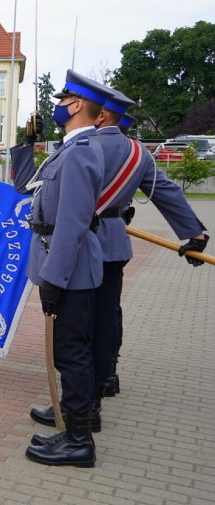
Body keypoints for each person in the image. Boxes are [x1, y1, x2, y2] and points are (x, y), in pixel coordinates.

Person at [28, 87, 208, 447]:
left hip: (75, 249)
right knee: (103, 323)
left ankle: (79, 413)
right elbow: (166, 191)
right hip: (111, 244)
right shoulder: (136, 152)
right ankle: (96, 394)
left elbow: (70, 213)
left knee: (77, 335)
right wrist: (194, 233)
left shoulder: (80, 149)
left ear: (98, 114)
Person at [9, 69, 110, 467]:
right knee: (69, 352)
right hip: (62, 263)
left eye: (62, 100)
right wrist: (27, 144)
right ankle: (72, 421)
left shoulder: (82, 152)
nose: (56, 107)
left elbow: (71, 223)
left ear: (77, 105)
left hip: (69, 268)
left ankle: (79, 440)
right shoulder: (69, 149)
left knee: (71, 354)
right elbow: (26, 187)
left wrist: (54, 276)